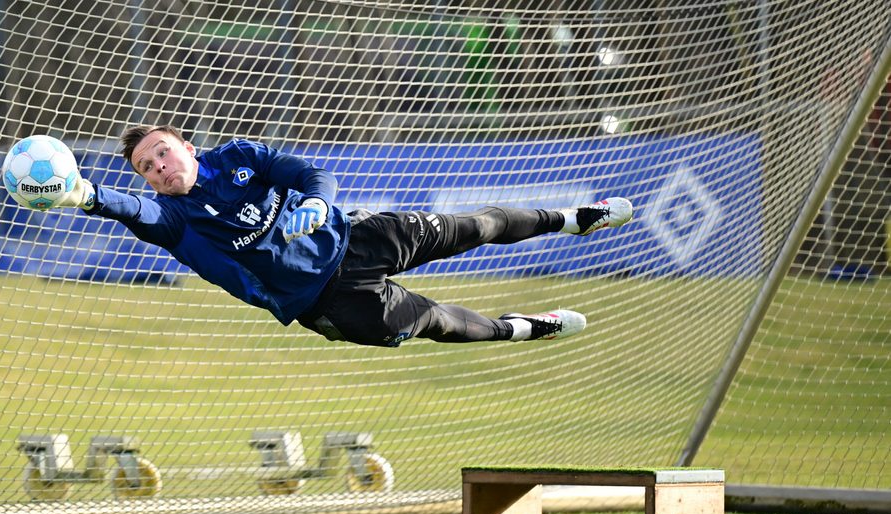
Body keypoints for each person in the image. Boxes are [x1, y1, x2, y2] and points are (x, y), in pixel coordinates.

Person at [51, 125, 632, 347]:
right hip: (329, 303)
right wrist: (88, 196)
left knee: (475, 226)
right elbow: (134, 212)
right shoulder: (173, 218)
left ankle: (574, 218)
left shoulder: (239, 158)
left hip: (357, 237)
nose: (158, 168)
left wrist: (316, 202)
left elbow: (308, 173)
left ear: (186, 147)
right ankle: (526, 329)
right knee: (437, 321)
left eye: (162, 152)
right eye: (147, 168)